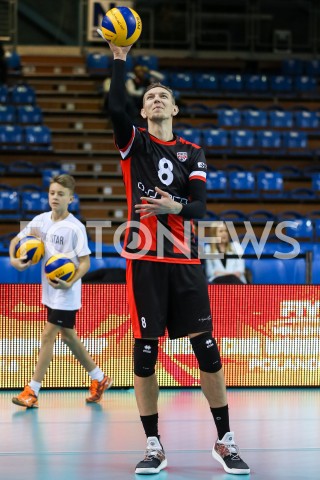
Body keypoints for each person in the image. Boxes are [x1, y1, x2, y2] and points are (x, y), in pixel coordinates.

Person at [104, 38, 250, 476]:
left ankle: (224, 441)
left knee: (208, 352)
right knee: (145, 356)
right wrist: (118, 59)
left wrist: (174, 208)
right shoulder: (135, 144)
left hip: (187, 262)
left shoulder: (192, 152)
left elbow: (202, 208)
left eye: (163, 95)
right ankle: (154, 446)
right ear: (144, 113)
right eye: (149, 97)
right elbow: (115, 110)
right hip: (147, 262)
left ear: (174, 110)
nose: (157, 98)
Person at [9, 174, 112, 408]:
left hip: (66, 291)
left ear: (71, 199)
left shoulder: (75, 228)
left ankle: (32, 391)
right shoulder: (42, 220)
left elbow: (85, 263)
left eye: (61, 194)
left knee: (48, 336)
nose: (55, 197)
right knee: (67, 336)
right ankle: (99, 378)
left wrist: (70, 281)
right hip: (50, 291)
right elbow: (17, 239)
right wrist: (15, 259)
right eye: (52, 193)